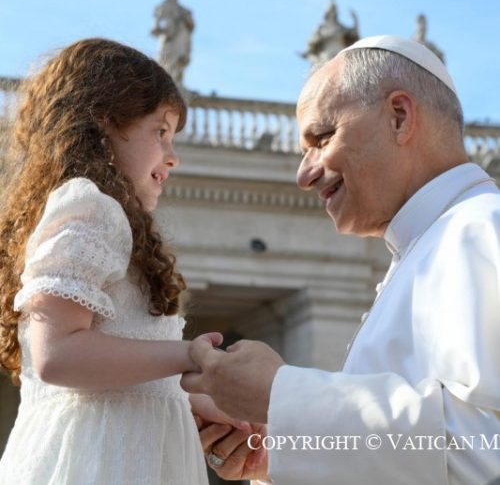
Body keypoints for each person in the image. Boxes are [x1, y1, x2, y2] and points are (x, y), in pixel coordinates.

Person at [182, 35, 500, 484]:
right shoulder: (428, 245)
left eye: (323, 137)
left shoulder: (480, 229)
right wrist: (281, 453)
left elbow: (487, 450)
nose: (304, 174)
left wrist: (282, 395)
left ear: (399, 117)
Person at [0, 38, 244, 484]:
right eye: (161, 131)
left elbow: (110, 373)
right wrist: (188, 355)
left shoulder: (105, 218)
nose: (173, 155)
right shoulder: (91, 207)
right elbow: (57, 355)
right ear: (105, 122)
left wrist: (190, 401)